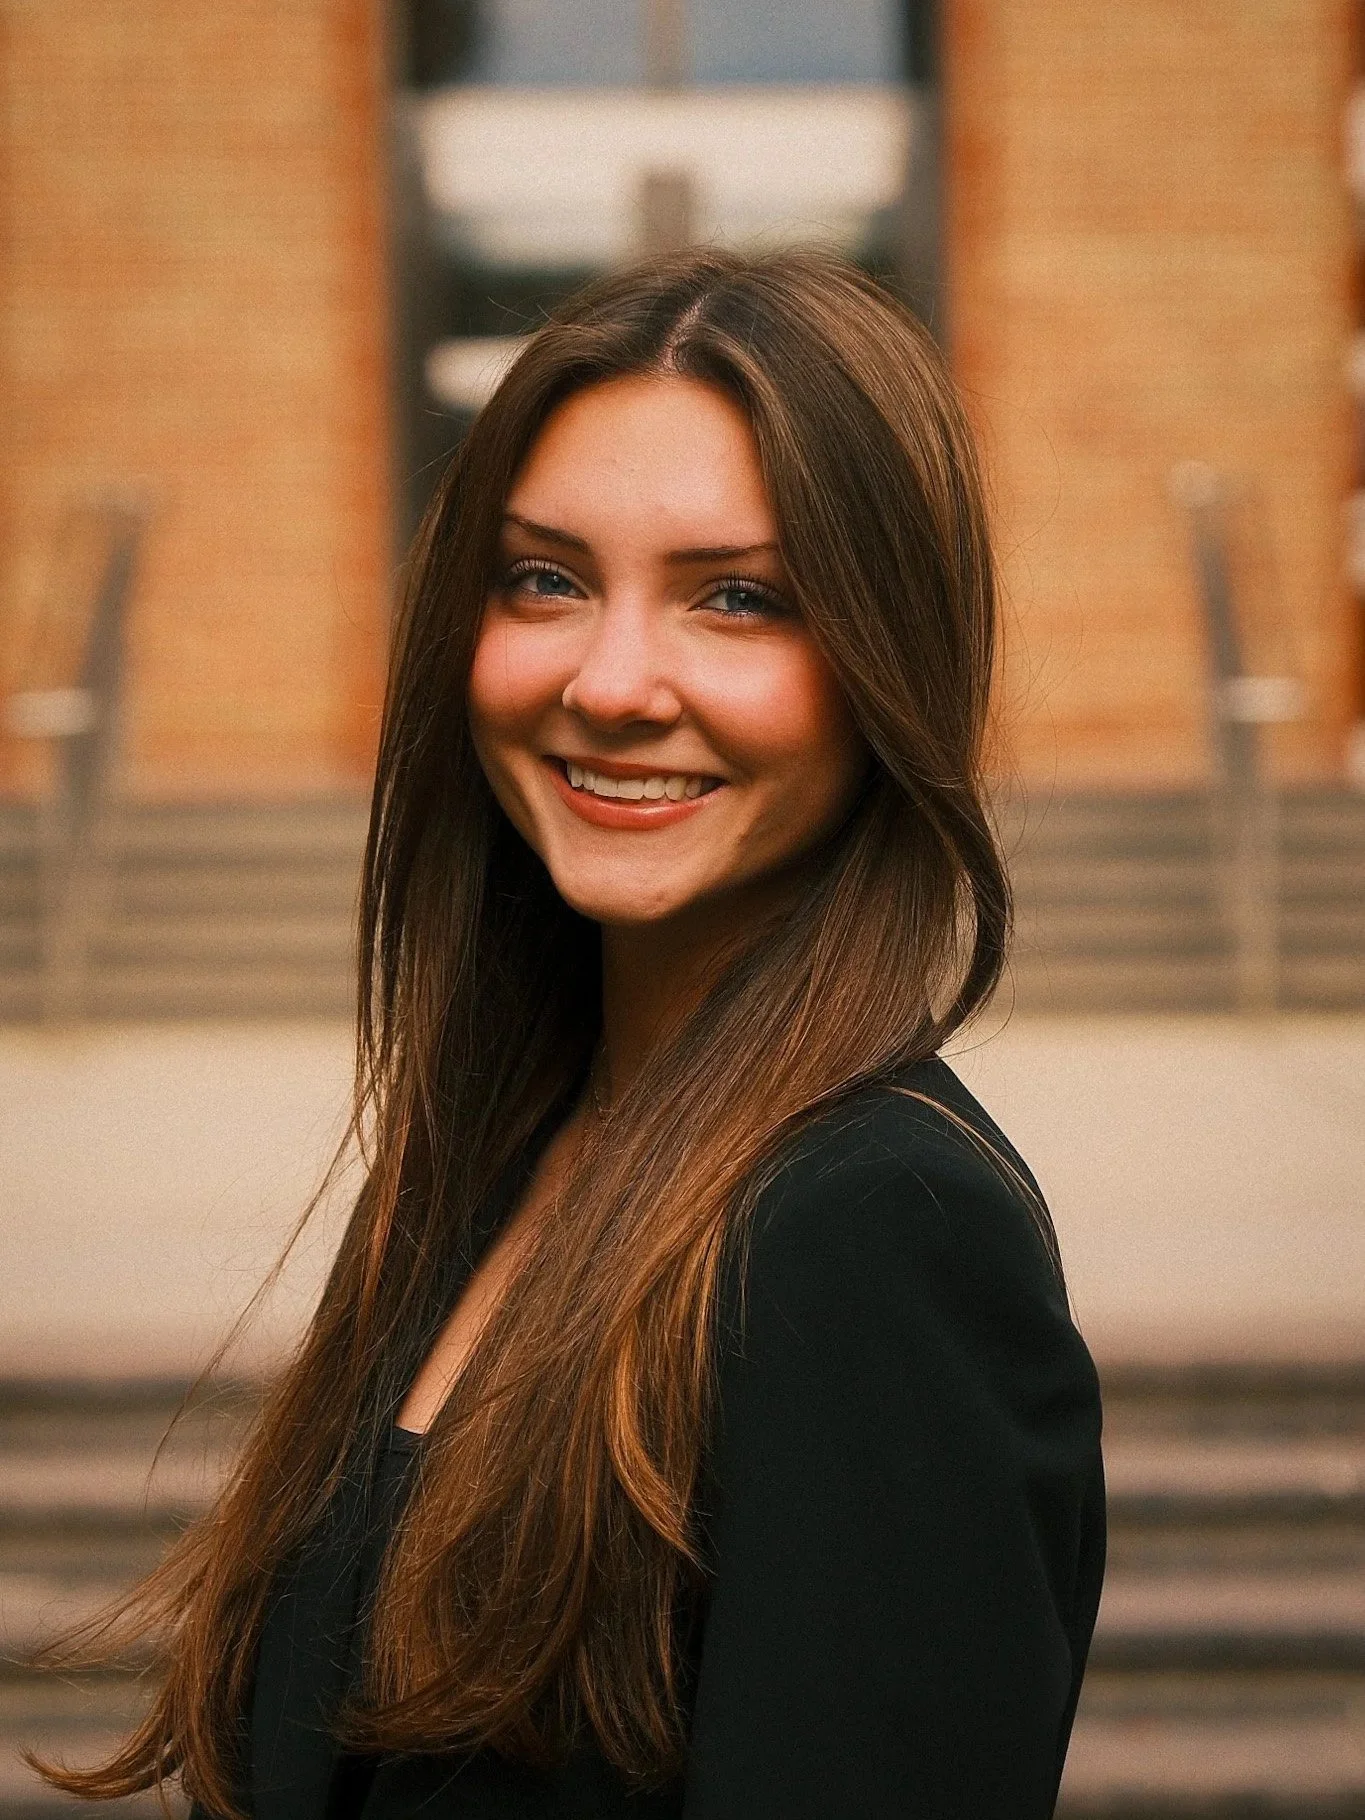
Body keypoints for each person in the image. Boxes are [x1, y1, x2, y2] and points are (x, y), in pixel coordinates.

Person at [39, 249, 1104, 1818]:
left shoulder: (878, 1228)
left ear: (890, 659)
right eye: (544, 578)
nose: (611, 682)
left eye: (738, 598)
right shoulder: (512, 1148)